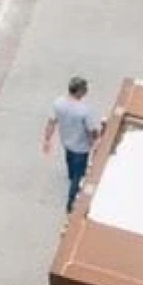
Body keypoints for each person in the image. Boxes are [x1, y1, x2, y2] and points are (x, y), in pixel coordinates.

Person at [42, 76, 103, 211]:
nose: (87, 91)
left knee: (69, 161)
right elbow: (92, 130)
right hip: (81, 148)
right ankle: (71, 203)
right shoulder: (84, 110)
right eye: (85, 89)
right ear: (79, 91)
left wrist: (47, 139)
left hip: (67, 142)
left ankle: (70, 175)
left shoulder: (58, 103)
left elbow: (51, 122)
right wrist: (96, 141)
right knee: (79, 176)